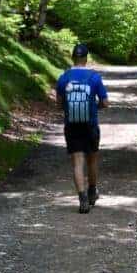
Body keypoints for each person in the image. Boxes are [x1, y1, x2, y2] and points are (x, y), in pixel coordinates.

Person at [55, 43, 108, 213]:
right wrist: (96, 107)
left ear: (73, 58)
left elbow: (59, 104)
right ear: (86, 59)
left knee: (78, 162)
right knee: (92, 159)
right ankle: (92, 192)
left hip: (72, 125)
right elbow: (105, 102)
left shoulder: (64, 78)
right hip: (90, 124)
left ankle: (82, 198)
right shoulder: (94, 78)